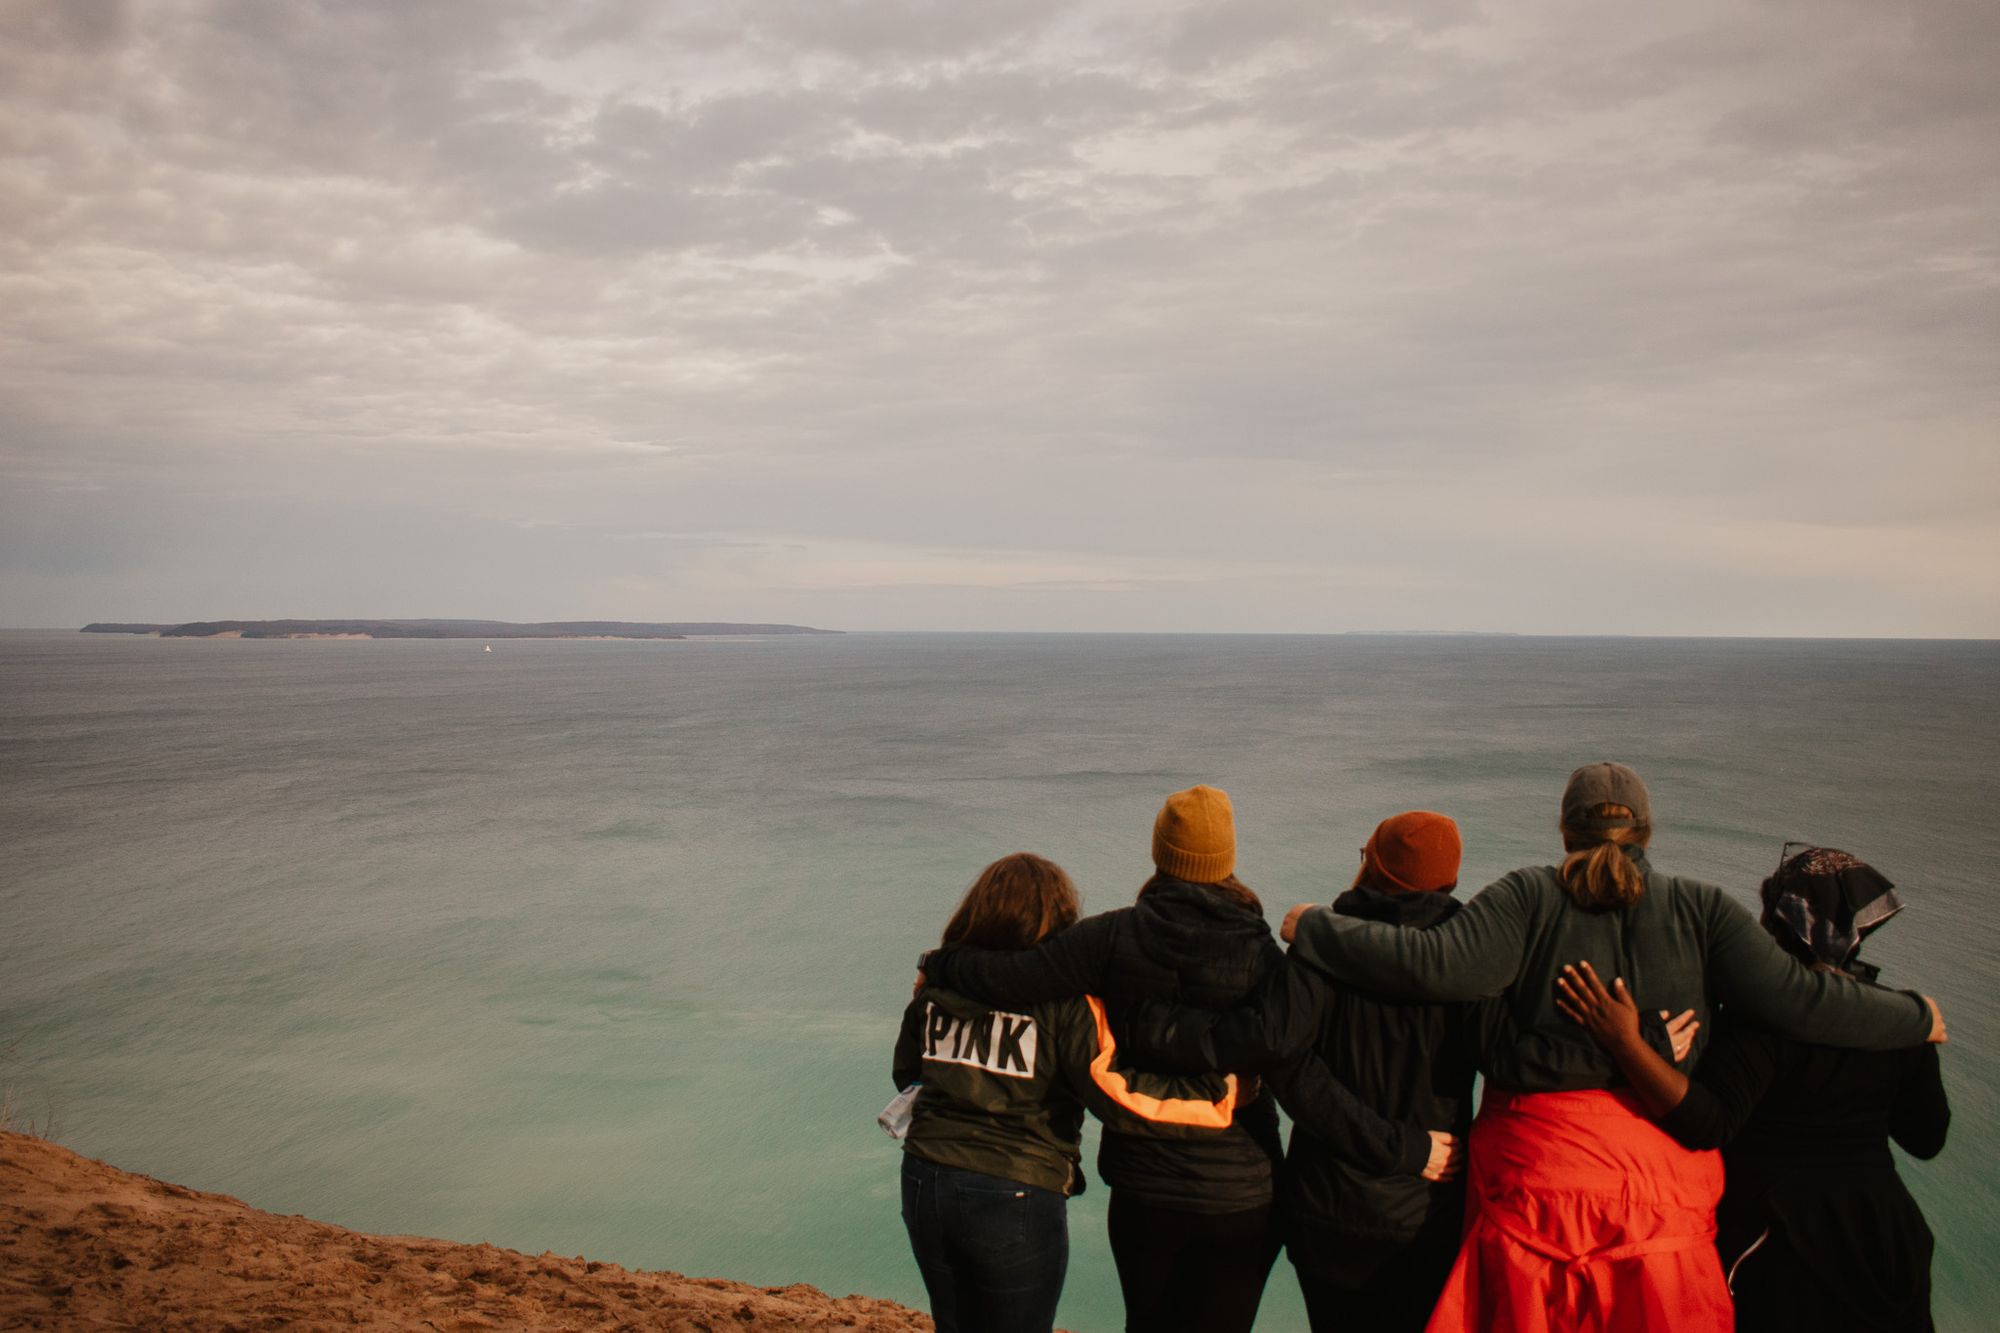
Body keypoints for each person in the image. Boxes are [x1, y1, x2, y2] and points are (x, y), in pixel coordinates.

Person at [1279, 763, 1947, 1333]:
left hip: (1533, 1187)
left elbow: (1431, 963)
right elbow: (1806, 1000)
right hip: (1659, 1204)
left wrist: (1316, 925)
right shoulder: (1702, 908)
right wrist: (1913, 1015)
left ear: (1566, 829)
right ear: (1646, 832)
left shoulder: (1527, 894)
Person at [918, 786, 1290, 1333]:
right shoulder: (1265, 955)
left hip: (1145, 1185)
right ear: (1228, 857)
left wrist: (940, 962)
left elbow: (1009, 979)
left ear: (1160, 851)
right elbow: (1292, 1057)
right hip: (1244, 1186)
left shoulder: (1110, 938)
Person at [1555, 845, 1950, 1332]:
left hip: (1778, 1245)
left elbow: (1707, 1123)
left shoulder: (1758, 1021)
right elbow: (1927, 1137)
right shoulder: (1899, 1022)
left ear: (1781, 926)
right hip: (1884, 1241)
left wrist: (1627, 1045)